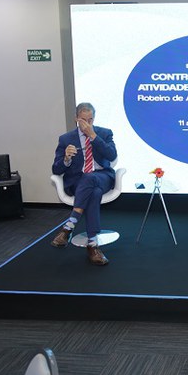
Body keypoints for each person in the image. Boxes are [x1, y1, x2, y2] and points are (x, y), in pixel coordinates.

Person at [50, 102, 117, 266]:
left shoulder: (104, 133)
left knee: (90, 178)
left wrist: (93, 136)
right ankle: (92, 244)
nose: (87, 123)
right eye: (83, 120)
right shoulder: (65, 139)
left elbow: (112, 155)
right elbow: (56, 169)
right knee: (93, 192)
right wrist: (66, 159)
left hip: (102, 177)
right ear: (76, 119)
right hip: (77, 182)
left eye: (90, 119)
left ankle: (69, 226)